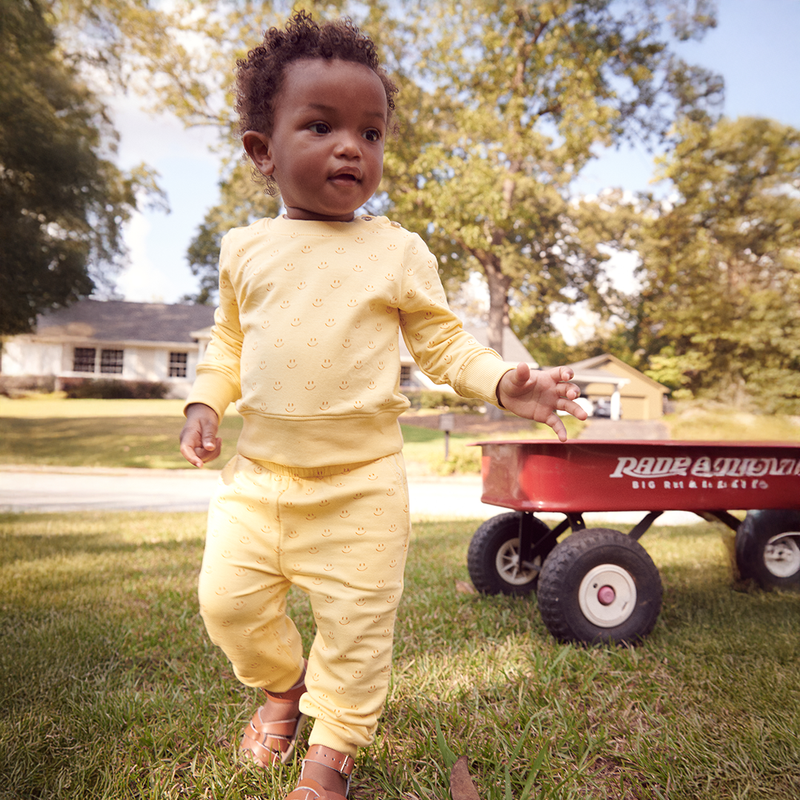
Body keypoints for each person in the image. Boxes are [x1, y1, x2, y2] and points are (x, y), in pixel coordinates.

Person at [179, 11, 587, 800]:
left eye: (370, 133)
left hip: (362, 488)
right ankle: (280, 687)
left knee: (357, 636)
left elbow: (444, 346)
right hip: (258, 481)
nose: (350, 147)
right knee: (225, 604)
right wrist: (205, 402)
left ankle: (331, 754)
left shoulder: (397, 250)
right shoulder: (243, 250)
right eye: (322, 125)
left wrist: (506, 381)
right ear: (262, 152)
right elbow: (226, 346)